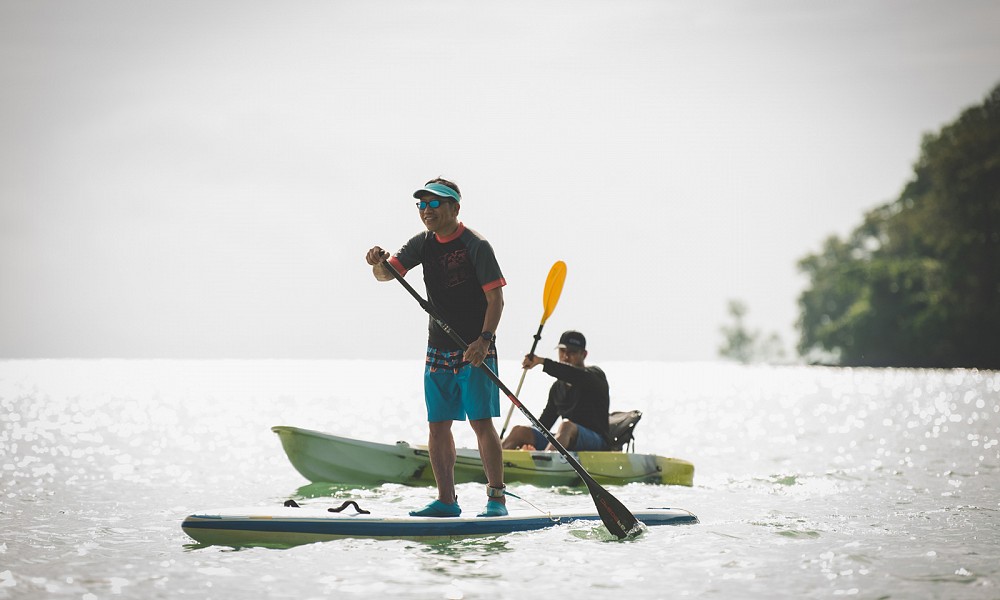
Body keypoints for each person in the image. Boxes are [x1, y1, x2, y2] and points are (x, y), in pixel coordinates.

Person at [365, 177, 508, 518]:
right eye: (422, 205)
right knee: (438, 425)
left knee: (481, 422)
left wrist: (483, 341)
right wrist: (376, 263)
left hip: (475, 348)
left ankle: (496, 500)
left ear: (455, 207)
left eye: (435, 204)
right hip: (438, 347)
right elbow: (387, 275)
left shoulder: (476, 245)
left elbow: (496, 299)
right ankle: (447, 501)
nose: (427, 211)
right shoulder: (422, 243)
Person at [501, 330, 611, 452]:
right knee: (519, 431)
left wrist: (542, 362)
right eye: (562, 351)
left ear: (584, 355)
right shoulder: (557, 388)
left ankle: (545, 461)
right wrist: (528, 441)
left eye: (572, 352)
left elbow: (572, 374)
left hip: (597, 442)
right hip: (565, 440)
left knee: (566, 426)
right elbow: (543, 425)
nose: (566, 356)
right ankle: (492, 460)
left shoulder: (595, 375)